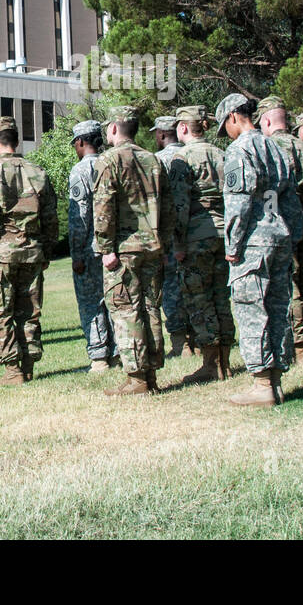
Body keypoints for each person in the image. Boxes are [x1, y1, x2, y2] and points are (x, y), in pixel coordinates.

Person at [217, 93, 303, 406]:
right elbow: (290, 198)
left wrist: (232, 244)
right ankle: (276, 380)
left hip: (253, 241)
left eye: (224, 125)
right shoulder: (276, 147)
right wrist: (293, 234)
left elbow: (238, 204)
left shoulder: (239, 150)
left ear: (232, 118)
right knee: (278, 307)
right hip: (279, 235)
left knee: (252, 308)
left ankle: (262, 384)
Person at [94, 105, 173, 396]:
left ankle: (137, 378)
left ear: (114, 128)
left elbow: (103, 206)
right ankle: (150, 373)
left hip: (124, 249)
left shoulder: (110, 160)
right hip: (152, 246)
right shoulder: (152, 159)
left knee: (126, 310)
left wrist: (105, 248)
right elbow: (168, 207)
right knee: (151, 309)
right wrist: (164, 241)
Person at [0, 118, 58, 384]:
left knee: (2, 312)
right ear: (16, 141)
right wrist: (46, 250)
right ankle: (29, 364)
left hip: (1, 255)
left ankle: (12, 370)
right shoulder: (38, 171)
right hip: (32, 252)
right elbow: (51, 217)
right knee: (29, 311)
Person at [172, 104, 235, 383]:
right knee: (221, 297)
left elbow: (179, 205)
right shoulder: (223, 154)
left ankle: (211, 363)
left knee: (198, 300)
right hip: (223, 235)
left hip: (196, 238)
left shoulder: (181, 159)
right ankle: (226, 362)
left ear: (183, 127)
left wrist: (178, 243)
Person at [256, 95, 303, 362]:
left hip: (282, 225)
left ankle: (300, 344)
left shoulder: (268, 148)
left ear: (267, 120)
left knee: (289, 287)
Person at [68, 120, 117, 372]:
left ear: (80, 142)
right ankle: (118, 352)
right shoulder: (112, 162)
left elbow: (80, 216)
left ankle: (99, 357)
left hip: (90, 249)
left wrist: (76, 253)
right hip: (115, 247)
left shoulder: (80, 171)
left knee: (91, 302)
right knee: (115, 300)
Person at [151, 116, 194, 357]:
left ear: (161, 134)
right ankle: (198, 336)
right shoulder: (191, 153)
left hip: (168, 236)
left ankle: (180, 343)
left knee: (171, 288)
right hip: (196, 231)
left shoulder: (158, 161)